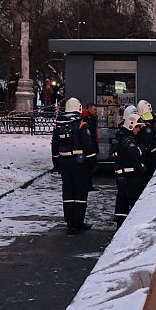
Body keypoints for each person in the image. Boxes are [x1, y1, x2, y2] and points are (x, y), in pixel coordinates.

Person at [51, 97, 97, 231]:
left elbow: (54, 145)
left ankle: (69, 221)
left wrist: (56, 163)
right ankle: (78, 222)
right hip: (79, 163)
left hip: (64, 162)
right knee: (80, 192)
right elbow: (87, 145)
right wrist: (93, 163)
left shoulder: (58, 124)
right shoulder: (81, 124)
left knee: (68, 191)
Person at [113, 114, 147, 229]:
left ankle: (120, 223)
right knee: (131, 199)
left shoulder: (123, 137)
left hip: (124, 175)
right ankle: (128, 225)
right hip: (128, 177)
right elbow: (134, 154)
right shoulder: (127, 140)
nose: (139, 130)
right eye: (137, 127)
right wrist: (142, 147)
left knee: (122, 201)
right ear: (131, 125)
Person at [137, 100, 156, 184]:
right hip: (148, 155)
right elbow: (150, 141)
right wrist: (155, 152)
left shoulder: (145, 119)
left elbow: (155, 117)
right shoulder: (146, 127)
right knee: (149, 172)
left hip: (146, 154)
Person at [81, 103, 99, 192]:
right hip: (89, 146)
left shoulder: (91, 118)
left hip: (91, 145)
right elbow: (90, 135)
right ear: (90, 109)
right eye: (95, 110)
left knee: (89, 167)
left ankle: (88, 184)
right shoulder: (87, 120)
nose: (96, 112)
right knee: (89, 166)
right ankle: (87, 185)